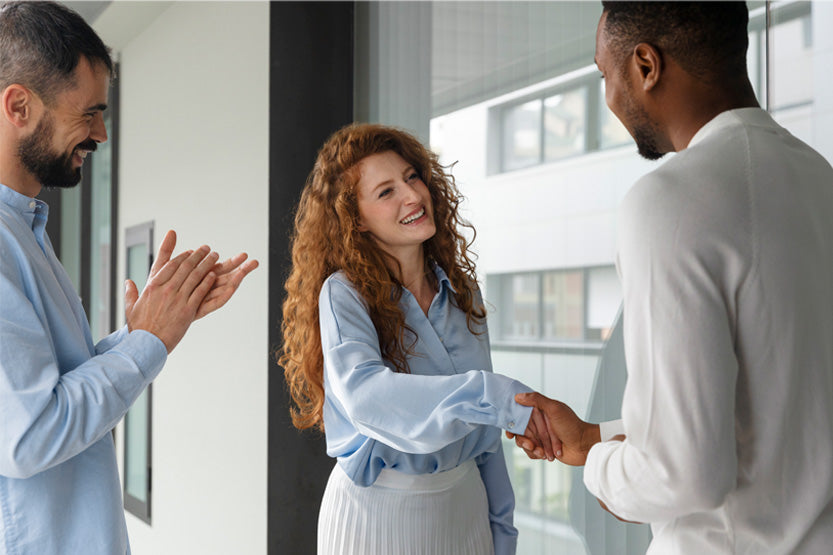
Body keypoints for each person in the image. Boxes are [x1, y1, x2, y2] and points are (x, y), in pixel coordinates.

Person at [508, 2, 833, 554]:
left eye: (604, 75)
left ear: (645, 65)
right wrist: (592, 439)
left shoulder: (671, 200)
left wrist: (602, 469)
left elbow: (683, 475)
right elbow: (776, 409)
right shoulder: (818, 178)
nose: (609, 98)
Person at [0, 2, 257, 553]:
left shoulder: (25, 228)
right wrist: (146, 343)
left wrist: (149, 327)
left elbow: (49, 390)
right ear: (18, 105)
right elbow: (28, 435)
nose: (101, 133)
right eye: (89, 113)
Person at [279, 122, 555, 555]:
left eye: (412, 177)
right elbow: (368, 396)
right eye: (386, 192)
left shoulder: (463, 292)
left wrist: (503, 533)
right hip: (374, 518)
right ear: (356, 219)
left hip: (466, 511)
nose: (412, 195)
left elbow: (484, 438)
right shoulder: (343, 294)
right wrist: (491, 395)